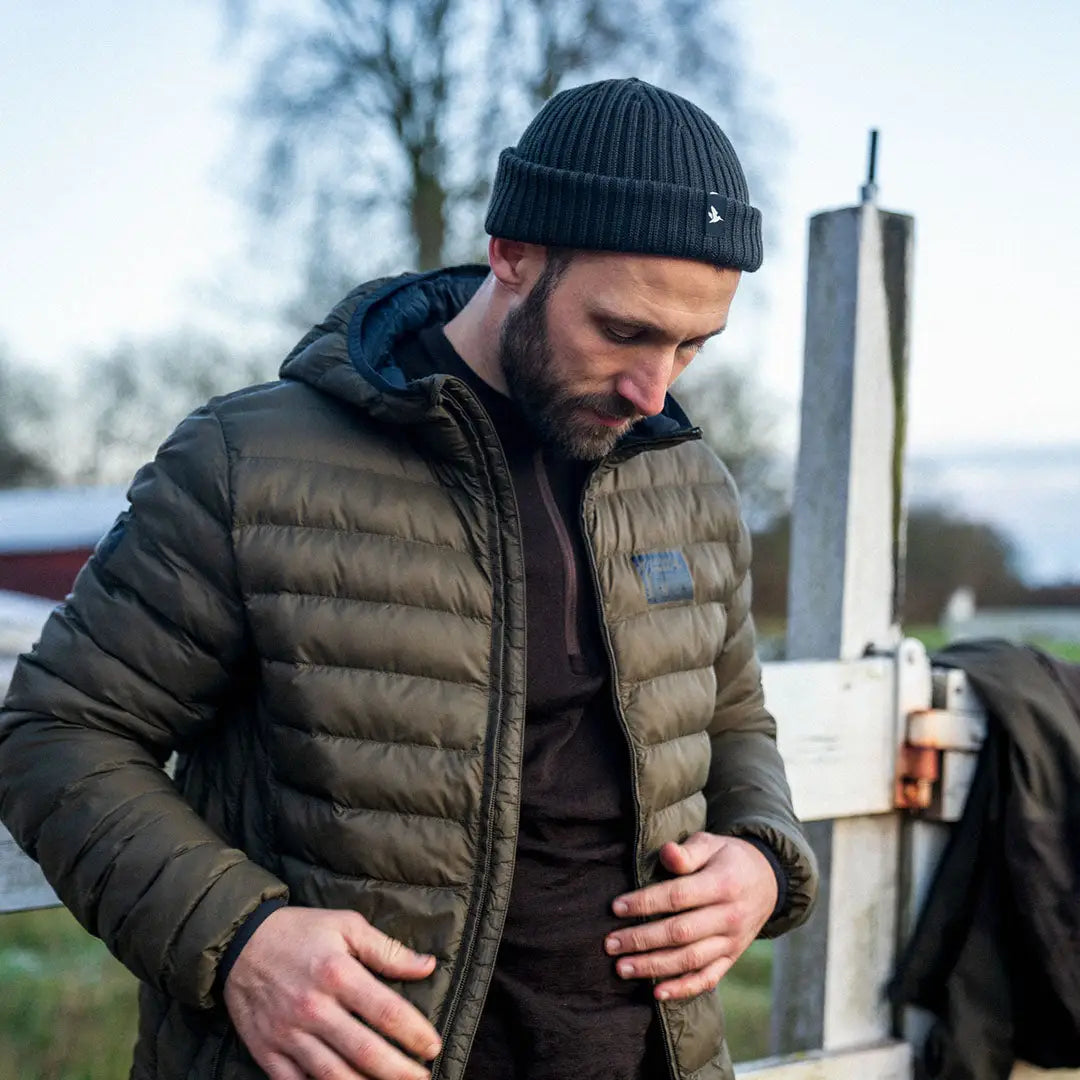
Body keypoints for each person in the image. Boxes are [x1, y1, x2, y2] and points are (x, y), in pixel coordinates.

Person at [0, 78, 817, 1080]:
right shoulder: (247, 459)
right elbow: (56, 735)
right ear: (512, 254)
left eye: (693, 346)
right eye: (625, 331)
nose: (656, 390)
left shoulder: (687, 482)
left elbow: (732, 721)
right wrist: (240, 941)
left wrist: (762, 859)